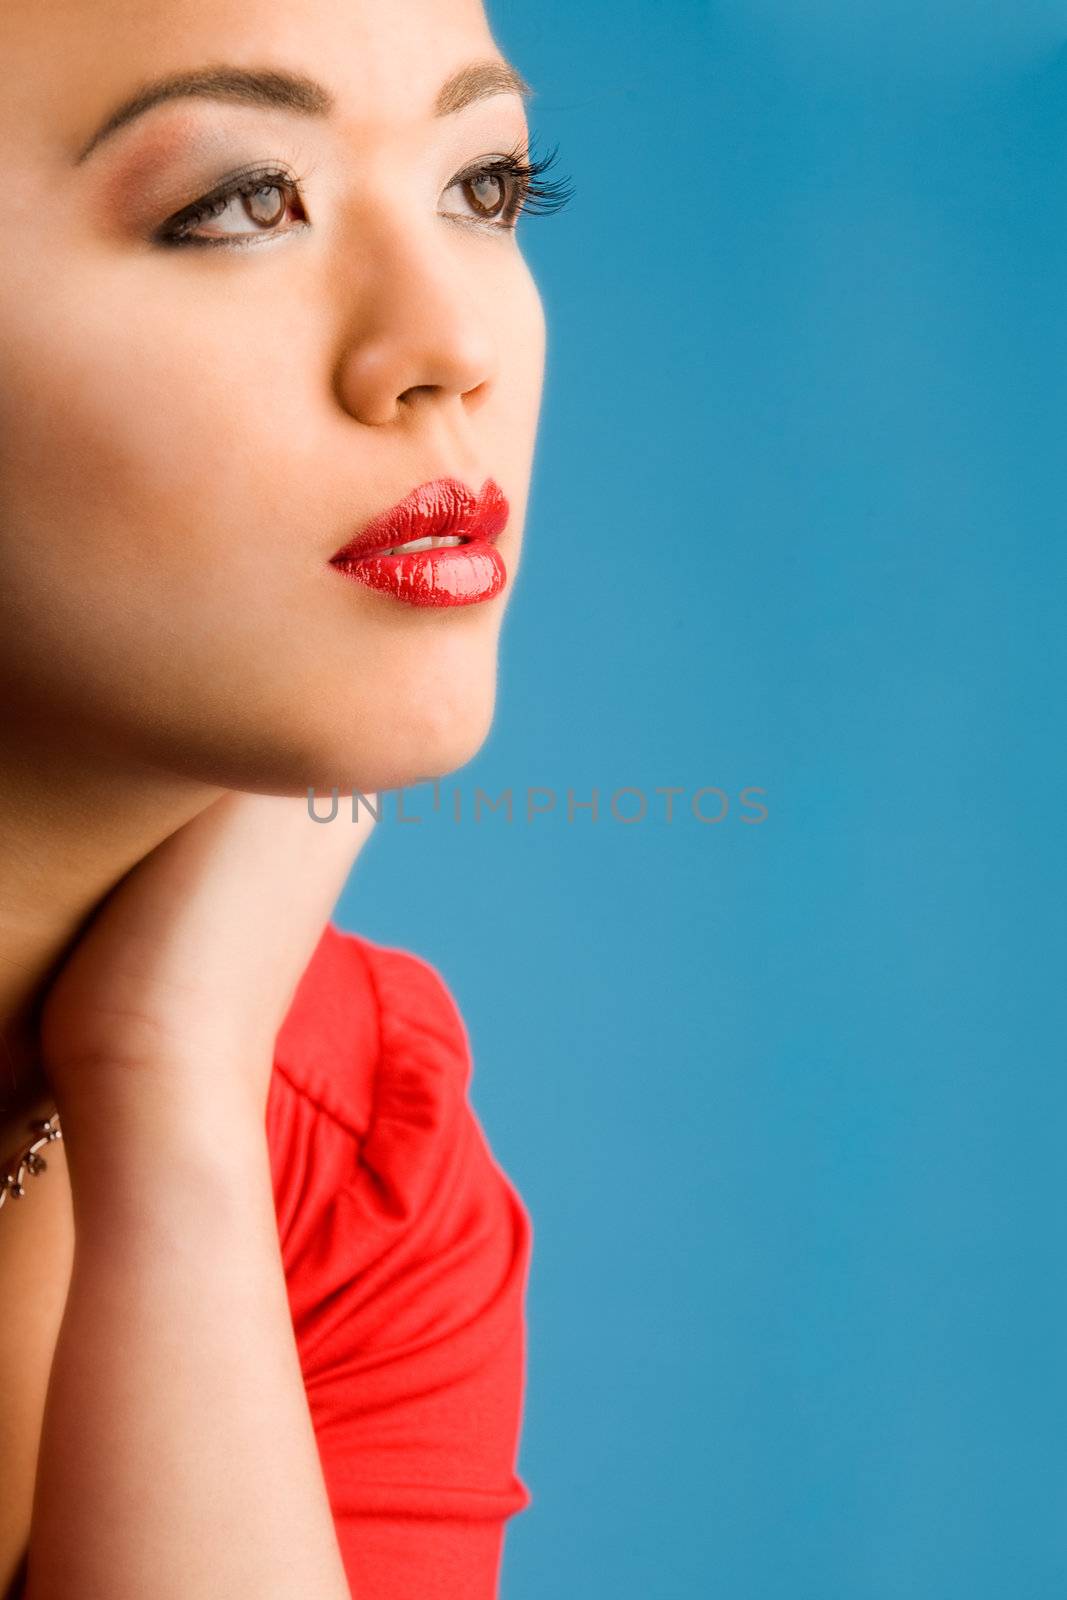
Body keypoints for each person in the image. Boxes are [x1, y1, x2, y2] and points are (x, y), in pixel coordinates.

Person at [0, 1, 571, 1595]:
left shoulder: (347, 1128)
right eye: (245, 203)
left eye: (485, 190)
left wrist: (171, 1092)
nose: (444, 347)